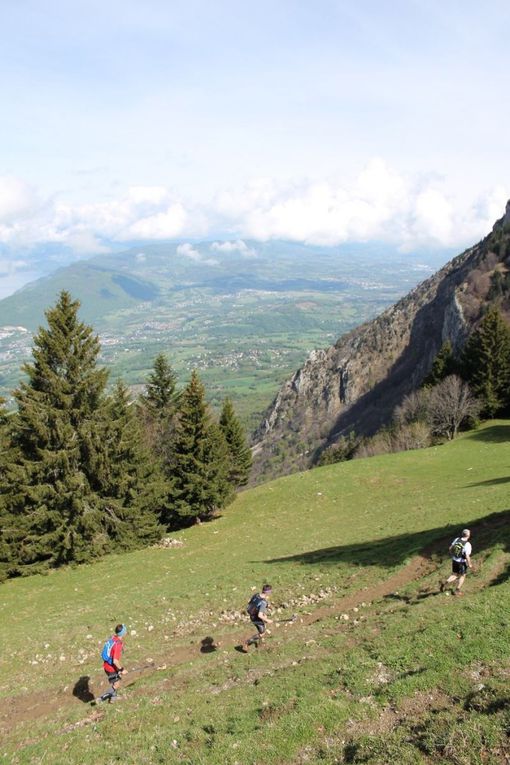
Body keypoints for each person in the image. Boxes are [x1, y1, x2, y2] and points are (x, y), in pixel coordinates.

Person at [96, 623, 128, 703]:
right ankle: (101, 699)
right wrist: (122, 669)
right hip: (111, 668)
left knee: (116, 681)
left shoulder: (113, 638)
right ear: (123, 633)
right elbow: (115, 661)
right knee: (116, 685)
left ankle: (113, 698)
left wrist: (119, 670)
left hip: (108, 665)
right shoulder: (118, 644)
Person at [240, 584, 273, 652]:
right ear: (268, 592)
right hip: (256, 618)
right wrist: (267, 620)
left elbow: (251, 603)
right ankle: (246, 642)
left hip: (252, 615)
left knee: (262, 629)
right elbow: (260, 615)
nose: (271, 593)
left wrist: (266, 608)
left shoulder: (256, 595)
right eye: (270, 592)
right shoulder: (263, 602)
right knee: (262, 633)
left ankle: (260, 643)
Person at [440, 529, 473, 596]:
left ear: (462, 534)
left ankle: (445, 583)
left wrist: (453, 555)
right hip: (461, 562)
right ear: (468, 536)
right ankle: (457, 590)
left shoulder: (457, 539)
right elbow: (467, 556)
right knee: (463, 575)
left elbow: (450, 548)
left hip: (454, 560)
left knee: (454, 574)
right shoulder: (467, 544)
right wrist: (469, 564)